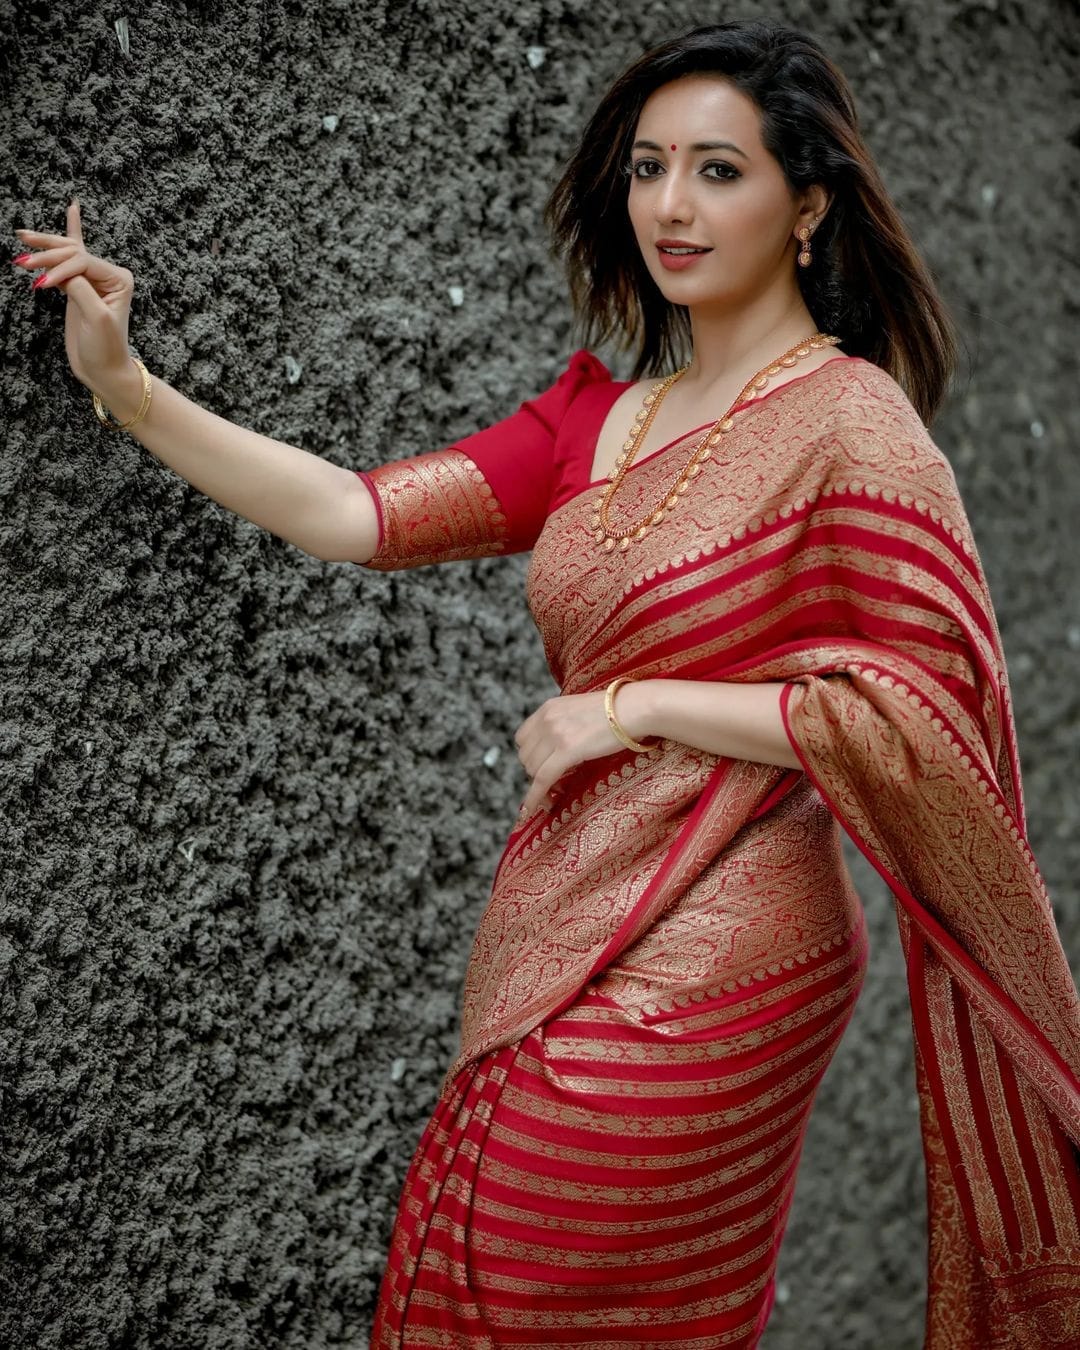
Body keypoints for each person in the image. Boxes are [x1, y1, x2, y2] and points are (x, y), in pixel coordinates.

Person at [14, 17, 1080, 1348]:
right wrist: (127, 383)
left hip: (737, 938)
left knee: (527, 1264)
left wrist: (635, 706)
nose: (671, 206)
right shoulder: (600, 418)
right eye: (647, 168)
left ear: (806, 207)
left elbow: (913, 721)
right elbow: (355, 513)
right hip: (560, 918)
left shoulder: (854, 423)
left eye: (717, 170)